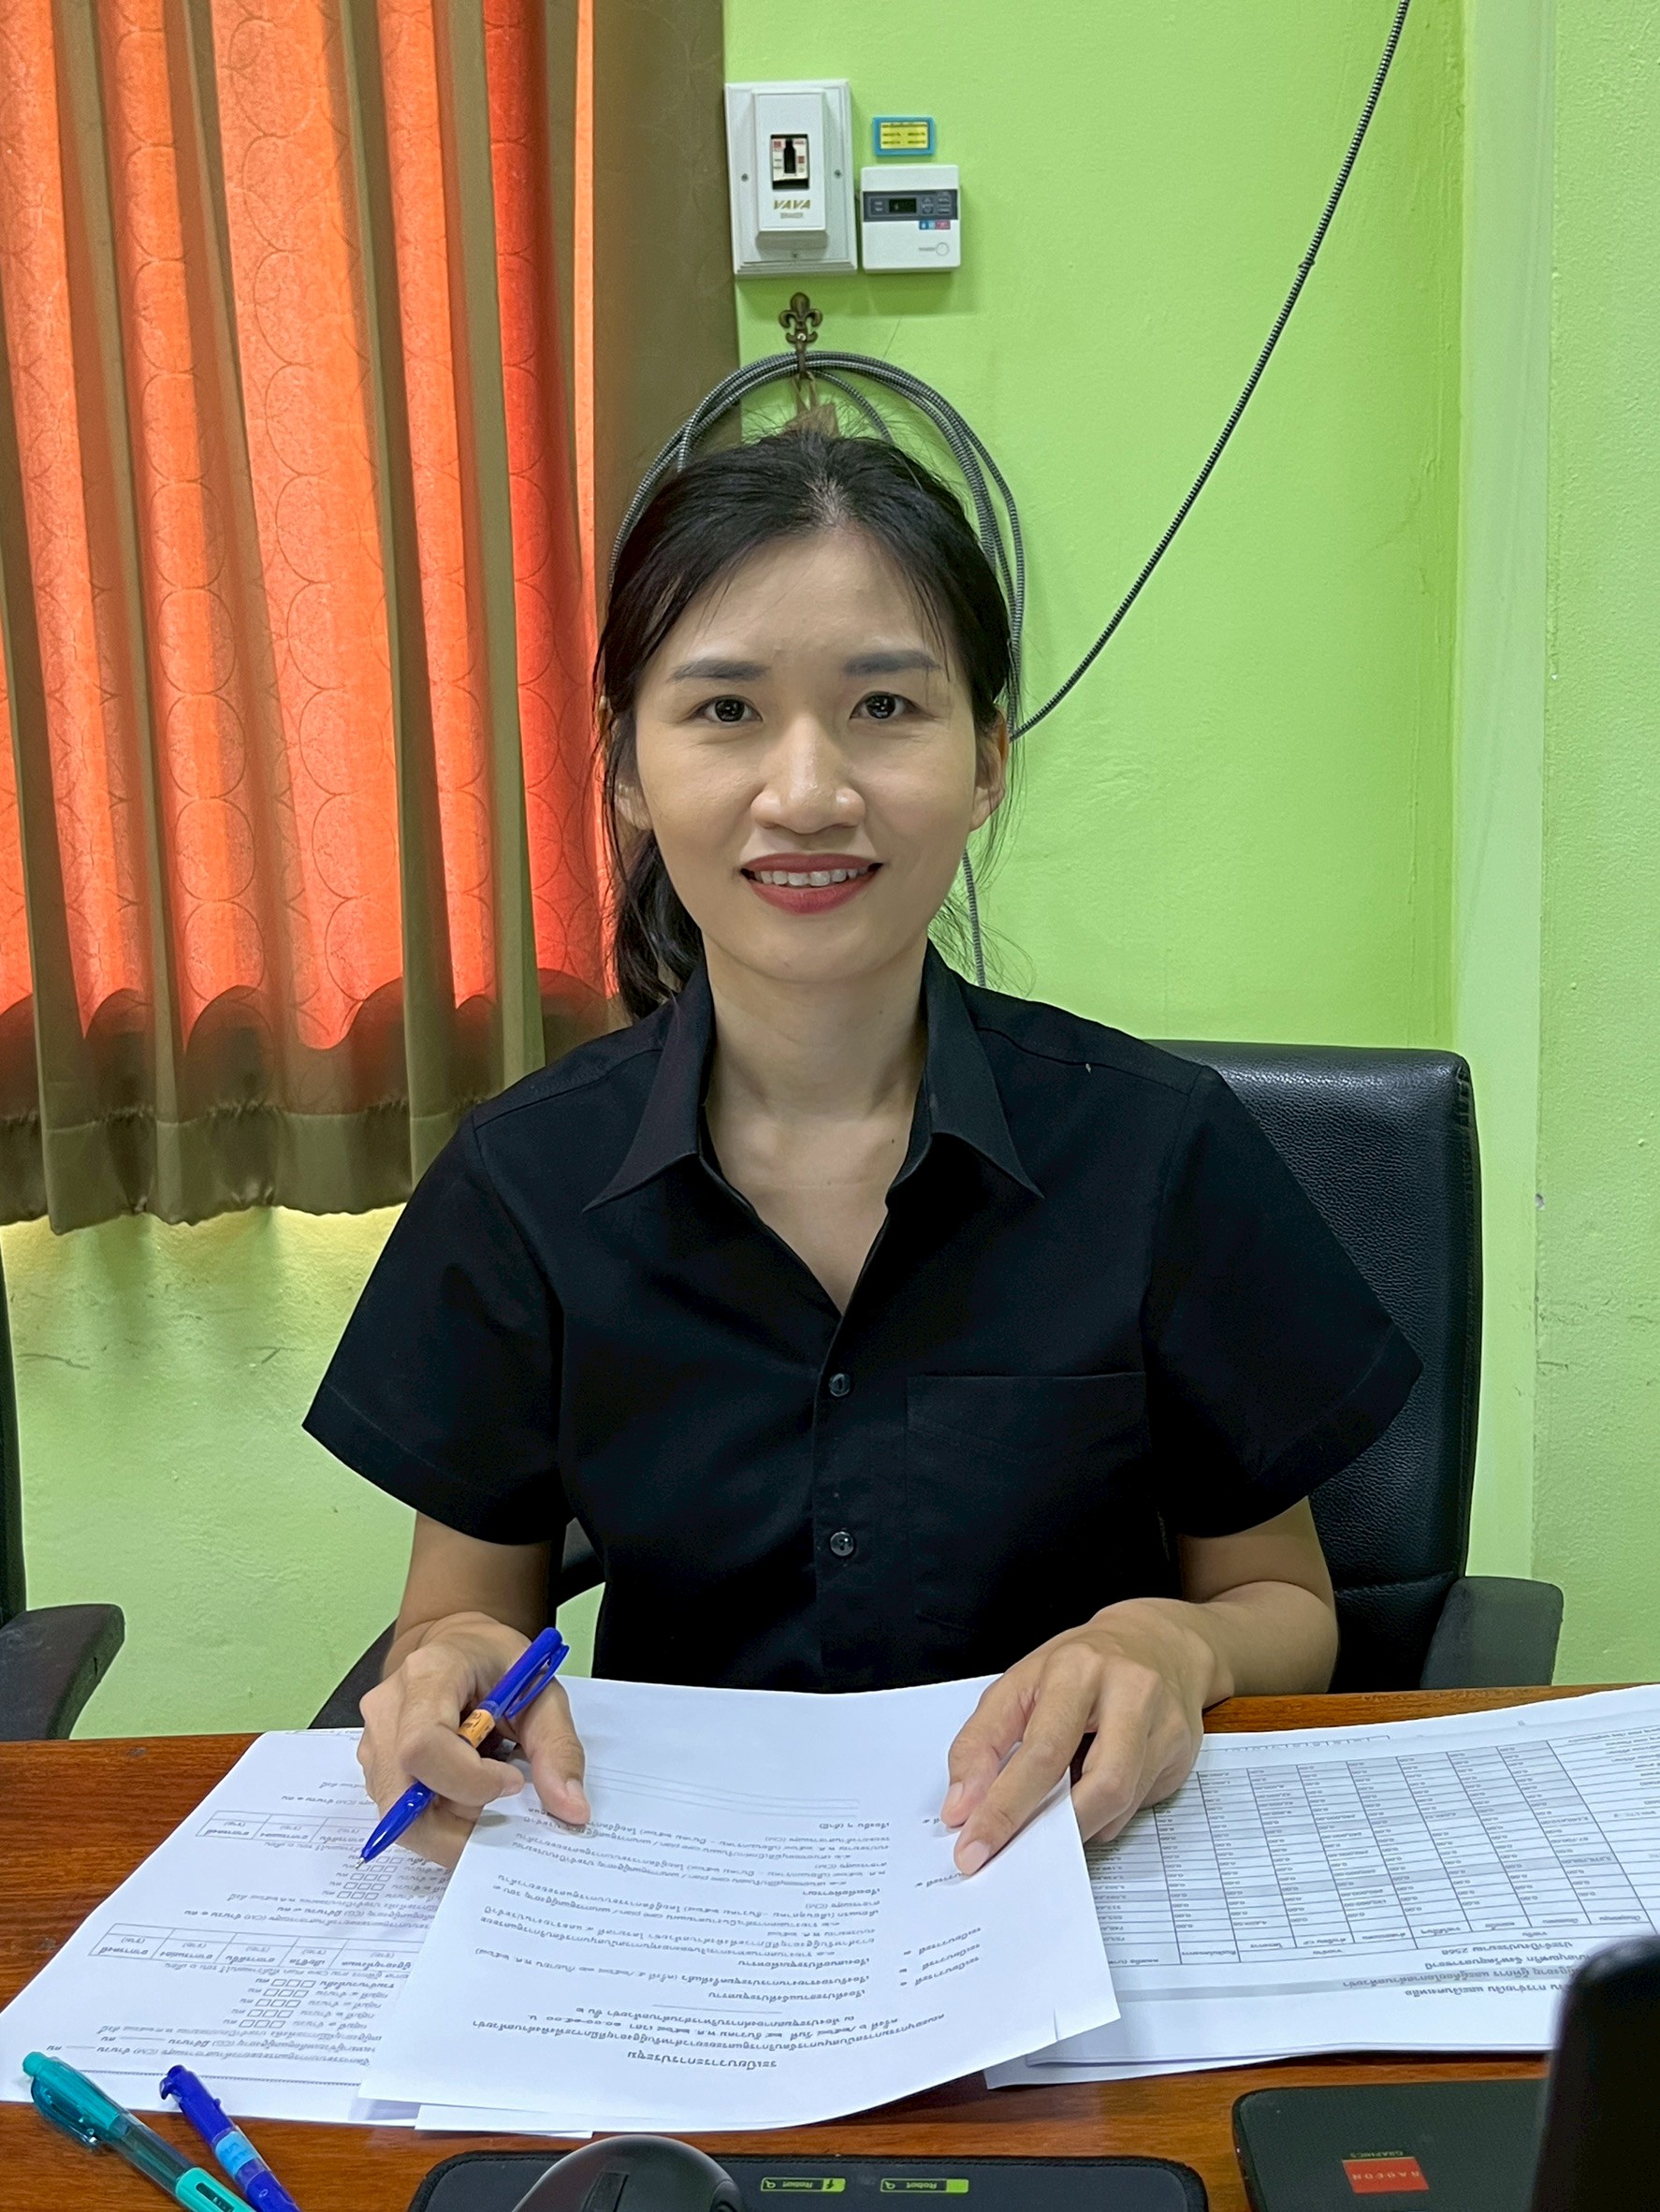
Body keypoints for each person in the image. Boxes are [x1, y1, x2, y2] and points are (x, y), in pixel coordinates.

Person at [305, 429, 1420, 1875]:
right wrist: (444, 1673)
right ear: (627, 766)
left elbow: (1284, 1603)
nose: (807, 791)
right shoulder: (522, 1182)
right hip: (668, 1889)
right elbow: (465, 1615)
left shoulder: (1159, 1149)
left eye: (884, 705)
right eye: (725, 710)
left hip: (1067, 1866)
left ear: (987, 760)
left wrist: (1170, 1644)